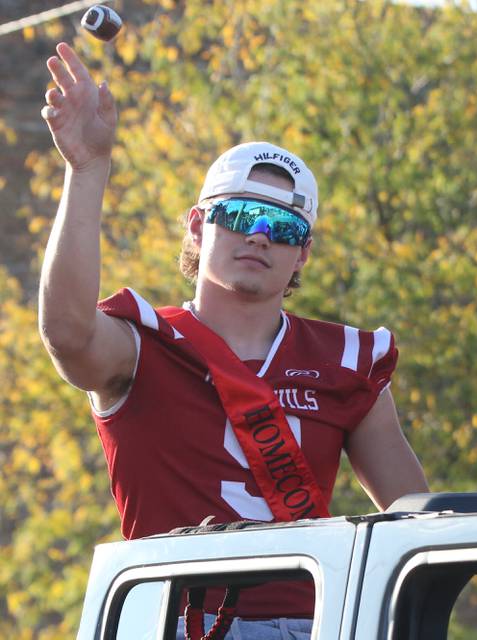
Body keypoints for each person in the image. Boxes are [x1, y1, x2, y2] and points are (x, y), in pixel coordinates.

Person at [38, 42, 428, 639]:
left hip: (310, 625)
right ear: (199, 224)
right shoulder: (145, 342)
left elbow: (414, 521)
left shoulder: (349, 361)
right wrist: (87, 170)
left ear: (304, 251)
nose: (261, 238)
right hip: (171, 622)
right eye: (242, 217)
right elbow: (66, 332)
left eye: (285, 227)